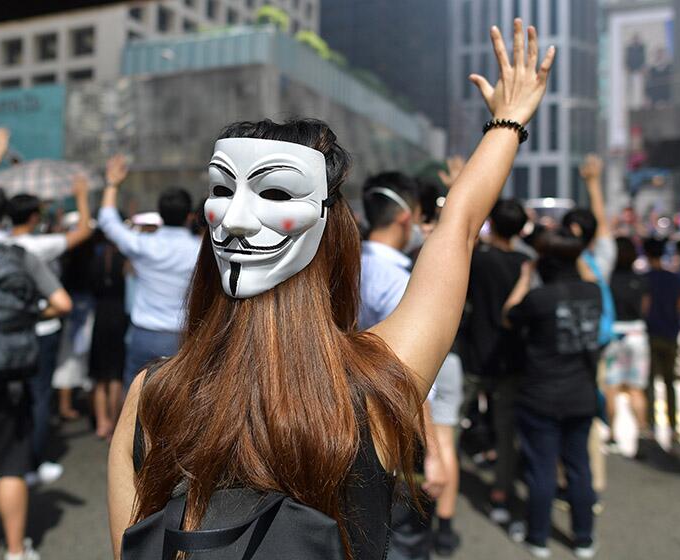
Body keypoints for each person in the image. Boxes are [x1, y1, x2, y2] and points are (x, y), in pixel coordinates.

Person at [108, 20, 554, 560]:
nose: (242, 215)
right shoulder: (376, 386)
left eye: (272, 189)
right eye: (225, 189)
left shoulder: (153, 395)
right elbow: (456, 230)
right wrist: (507, 122)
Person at [0, 180, 72, 560]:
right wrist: (26, 316)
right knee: (10, 469)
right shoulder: (21, 256)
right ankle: (17, 551)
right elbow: (62, 303)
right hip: (11, 380)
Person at [357, 172, 452, 559]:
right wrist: (432, 451)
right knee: (400, 536)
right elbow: (412, 376)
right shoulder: (398, 281)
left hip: (343, 410)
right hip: (391, 418)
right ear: (405, 217)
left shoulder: (347, 262)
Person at [502, 231, 601, 559]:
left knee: (541, 469)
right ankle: (584, 539)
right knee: (579, 467)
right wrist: (576, 254)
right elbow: (587, 275)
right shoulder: (594, 293)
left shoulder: (539, 299)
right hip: (581, 394)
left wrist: (525, 278)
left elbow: (508, 314)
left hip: (540, 394)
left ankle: (539, 537)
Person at [1, 176, 94, 486]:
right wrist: (81, 197)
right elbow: (83, 231)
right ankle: (33, 462)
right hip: (43, 327)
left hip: (8, 328)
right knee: (40, 397)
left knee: (15, 396)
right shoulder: (39, 246)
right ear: (33, 218)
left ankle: (10, 459)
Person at [96, 155, 201, 390]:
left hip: (144, 334)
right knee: (178, 399)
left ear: (160, 215)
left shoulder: (144, 245)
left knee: (136, 399)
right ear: (189, 216)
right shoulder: (199, 252)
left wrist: (112, 184)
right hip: (181, 335)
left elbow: (108, 222)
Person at [464, 199, 532, 528]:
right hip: (511, 357)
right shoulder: (526, 264)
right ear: (522, 229)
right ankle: (501, 493)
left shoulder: (479, 258)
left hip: (474, 353)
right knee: (507, 431)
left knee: (447, 421)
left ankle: (431, 485)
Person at [563, 154, 614, 499]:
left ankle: (568, 482)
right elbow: (604, 229)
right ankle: (590, 484)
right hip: (596, 347)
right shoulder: (601, 260)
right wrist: (593, 185)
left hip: (559, 351)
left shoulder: (555, 263)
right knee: (587, 419)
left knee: (560, 419)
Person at [603, 237, 652, 457]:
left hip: (614, 333)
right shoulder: (641, 280)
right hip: (637, 333)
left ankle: (612, 434)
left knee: (611, 388)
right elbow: (645, 308)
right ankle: (641, 433)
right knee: (636, 389)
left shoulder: (608, 279)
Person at [643, 237, 680, 444]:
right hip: (671, 333)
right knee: (670, 382)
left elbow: (644, 307)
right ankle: (673, 426)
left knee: (650, 382)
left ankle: (651, 425)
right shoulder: (675, 279)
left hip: (650, 334)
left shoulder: (644, 279)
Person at [88, 230, 129, 440]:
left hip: (100, 315)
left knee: (99, 374)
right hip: (120, 315)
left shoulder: (95, 259)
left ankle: (101, 422)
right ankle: (114, 423)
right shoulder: (125, 260)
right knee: (116, 374)